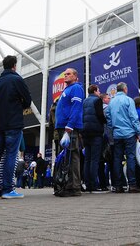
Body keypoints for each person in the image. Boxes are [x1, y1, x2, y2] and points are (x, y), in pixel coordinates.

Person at [0, 55, 32, 199]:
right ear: (14, 66)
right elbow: (28, 100)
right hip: (13, 123)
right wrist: (19, 106)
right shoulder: (17, 79)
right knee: (11, 155)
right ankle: (7, 189)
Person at [105, 82, 140, 194]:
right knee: (130, 157)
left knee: (117, 159)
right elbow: (133, 117)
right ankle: (132, 185)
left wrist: (112, 130)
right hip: (129, 133)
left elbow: (108, 118)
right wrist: (138, 131)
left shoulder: (111, 102)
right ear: (125, 89)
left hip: (117, 134)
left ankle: (118, 186)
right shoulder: (129, 100)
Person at [54, 68, 85, 197]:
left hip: (69, 128)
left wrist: (70, 125)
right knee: (67, 157)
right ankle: (67, 184)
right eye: (65, 74)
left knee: (72, 156)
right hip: (63, 127)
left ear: (75, 76)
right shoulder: (66, 90)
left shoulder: (76, 88)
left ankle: (74, 187)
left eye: (69, 74)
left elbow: (76, 107)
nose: (66, 76)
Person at [81, 84, 107, 194]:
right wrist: (105, 122)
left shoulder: (84, 101)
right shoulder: (97, 100)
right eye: (99, 90)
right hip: (96, 132)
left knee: (87, 159)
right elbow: (100, 115)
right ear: (95, 91)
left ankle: (87, 184)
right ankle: (93, 184)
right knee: (95, 160)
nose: (99, 92)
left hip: (85, 132)